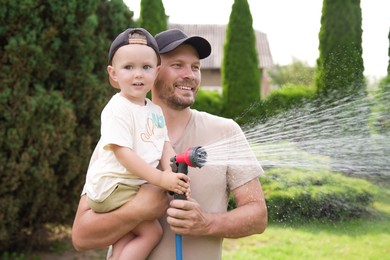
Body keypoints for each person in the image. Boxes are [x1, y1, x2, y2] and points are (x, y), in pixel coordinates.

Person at [72, 28, 268, 260]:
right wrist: (136, 210)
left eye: (195, 67)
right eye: (177, 65)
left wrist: (206, 223)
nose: (190, 75)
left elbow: (258, 216)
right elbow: (82, 237)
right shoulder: (118, 136)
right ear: (155, 71)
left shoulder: (225, 132)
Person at [84, 28, 190, 260]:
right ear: (113, 74)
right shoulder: (117, 108)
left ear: (157, 71)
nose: (138, 74)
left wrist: (173, 172)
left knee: (126, 237)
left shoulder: (154, 110)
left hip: (126, 187)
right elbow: (123, 153)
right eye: (128, 67)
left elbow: (164, 146)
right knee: (152, 232)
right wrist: (161, 178)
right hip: (113, 187)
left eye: (146, 67)